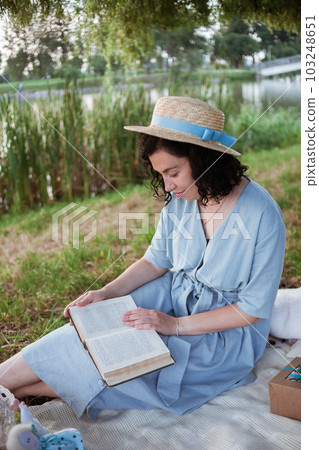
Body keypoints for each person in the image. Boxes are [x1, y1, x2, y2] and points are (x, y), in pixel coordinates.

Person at [0, 96, 286, 421]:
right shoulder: (181, 197)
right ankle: (4, 384)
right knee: (88, 332)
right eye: (160, 173)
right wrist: (106, 293)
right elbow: (155, 262)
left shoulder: (262, 214)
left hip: (223, 333)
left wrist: (174, 325)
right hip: (171, 293)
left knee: (130, 372)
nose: (167, 184)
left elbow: (251, 310)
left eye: (173, 172)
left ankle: (12, 391)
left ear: (205, 160)